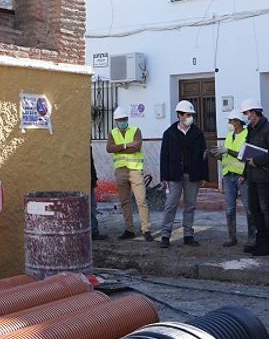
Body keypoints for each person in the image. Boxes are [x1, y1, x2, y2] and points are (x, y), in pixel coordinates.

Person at [158, 100, 207, 248]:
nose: (190, 117)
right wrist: (164, 177)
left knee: (190, 205)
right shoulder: (169, 133)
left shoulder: (198, 133)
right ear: (179, 115)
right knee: (171, 205)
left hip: (192, 175)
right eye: (187, 115)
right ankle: (165, 235)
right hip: (174, 175)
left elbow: (203, 156)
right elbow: (164, 156)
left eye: (191, 115)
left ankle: (188, 234)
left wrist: (204, 176)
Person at [239, 98, 269, 257]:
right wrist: (244, 174)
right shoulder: (251, 129)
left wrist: (257, 161)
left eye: (246, 113)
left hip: (266, 176)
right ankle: (260, 241)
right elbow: (248, 151)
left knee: (266, 210)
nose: (244, 116)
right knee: (255, 209)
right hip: (252, 177)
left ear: (253, 112)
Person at [106, 105, 152, 241]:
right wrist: (126, 145)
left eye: (124, 119)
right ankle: (129, 229)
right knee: (124, 201)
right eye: (119, 120)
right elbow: (109, 148)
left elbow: (136, 147)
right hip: (121, 171)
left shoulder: (135, 130)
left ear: (127, 119)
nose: (122, 122)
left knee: (141, 200)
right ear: (116, 121)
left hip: (135, 170)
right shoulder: (112, 133)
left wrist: (119, 148)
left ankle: (146, 229)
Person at [209, 111, 255, 247]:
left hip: (242, 176)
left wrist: (228, 152)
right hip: (228, 175)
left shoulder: (248, 135)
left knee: (249, 208)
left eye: (231, 121)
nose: (229, 123)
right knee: (229, 209)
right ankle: (232, 237)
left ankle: (252, 237)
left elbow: (245, 156)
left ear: (238, 122)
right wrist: (215, 154)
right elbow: (226, 156)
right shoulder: (229, 136)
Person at [91, 153, 107, 240]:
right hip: (88, 181)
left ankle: (93, 231)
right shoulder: (84, 147)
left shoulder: (87, 147)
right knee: (91, 207)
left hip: (89, 181)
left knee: (92, 207)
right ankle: (93, 231)